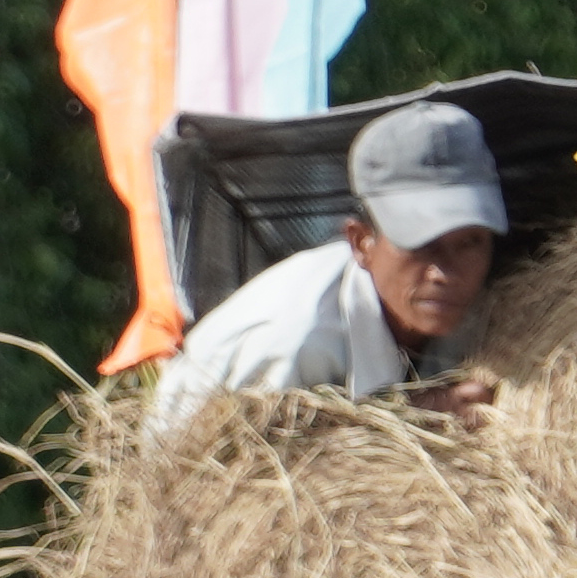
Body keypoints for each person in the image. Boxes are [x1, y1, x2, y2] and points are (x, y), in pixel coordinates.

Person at [151, 100, 510, 427]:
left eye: (469, 243)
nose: (444, 273)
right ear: (360, 242)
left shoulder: (472, 309)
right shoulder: (291, 342)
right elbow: (249, 476)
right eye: (419, 245)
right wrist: (410, 417)